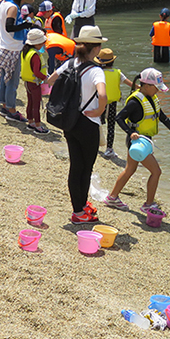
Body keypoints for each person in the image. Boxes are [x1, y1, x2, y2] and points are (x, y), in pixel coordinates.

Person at [46, 25, 108, 224]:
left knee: (76, 166)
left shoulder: (70, 63)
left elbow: (50, 79)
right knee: (86, 168)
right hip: (88, 122)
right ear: (96, 48)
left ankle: (79, 207)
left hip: (70, 121)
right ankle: (80, 212)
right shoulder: (96, 70)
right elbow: (102, 94)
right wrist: (99, 110)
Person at [107, 68, 170, 212]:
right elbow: (119, 118)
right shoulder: (135, 102)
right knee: (156, 171)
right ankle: (148, 204)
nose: (158, 91)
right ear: (147, 86)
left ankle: (112, 197)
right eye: (156, 88)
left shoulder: (152, 98)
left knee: (130, 169)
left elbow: (161, 116)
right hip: (137, 142)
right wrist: (130, 133)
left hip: (144, 141)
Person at [0, 0, 34, 121]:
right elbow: (10, 27)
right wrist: (25, 25)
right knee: (12, 82)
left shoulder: (4, 2)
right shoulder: (13, 8)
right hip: (12, 48)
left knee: (4, 78)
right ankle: (11, 110)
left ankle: (4, 106)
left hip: (3, 46)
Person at [96, 48, 133, 159]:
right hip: (112, 104)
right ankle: (109, 149)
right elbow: (130, 84)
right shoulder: (118, 73)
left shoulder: (98, 73)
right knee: (111, 126)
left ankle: (94, 144)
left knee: (96, 123)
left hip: (99, 102)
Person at [20, 28, 49, 134]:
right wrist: (45, 79)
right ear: (37, 43)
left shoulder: (26, 51)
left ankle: (30, 121)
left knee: (30, 103)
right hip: (34, 83)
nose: (43, 44)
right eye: (42, 42)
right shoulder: (35, 56)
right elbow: (36, 72)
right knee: (36, 104)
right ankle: (38, 125)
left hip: (28, 82)